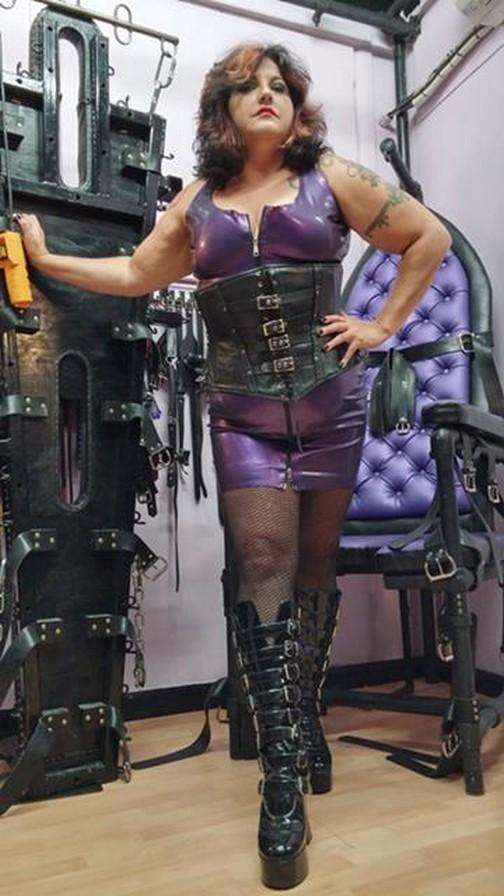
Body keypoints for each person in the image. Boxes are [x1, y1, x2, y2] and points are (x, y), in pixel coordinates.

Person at [16, 42, 451, 890]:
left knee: (317, 571)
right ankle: (281, 778)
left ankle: (304, 721)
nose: (267, 96)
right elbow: (137, 271)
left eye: (279, 86)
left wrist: (381, 326)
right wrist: (46, 261)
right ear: (223, 108)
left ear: (296, 105)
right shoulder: (197, 202)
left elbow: (426, 237)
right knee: (261, 563)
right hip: (243, 415)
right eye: (248, 87)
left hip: (331, 407)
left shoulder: (333, 178)